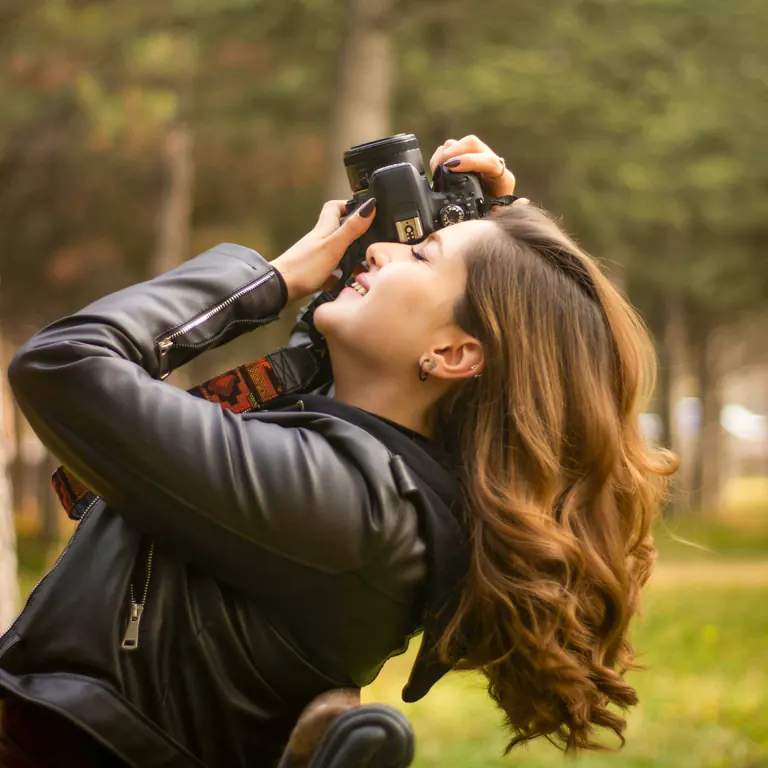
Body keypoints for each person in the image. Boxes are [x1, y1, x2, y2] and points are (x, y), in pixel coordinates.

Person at [0, 135, 676, 767]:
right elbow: (319, 360)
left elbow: (63, 364)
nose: (381, 253)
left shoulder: (351, 505)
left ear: (452, 353)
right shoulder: (371, 463)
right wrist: (497, 219)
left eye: (421, 256)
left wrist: (268, 279)